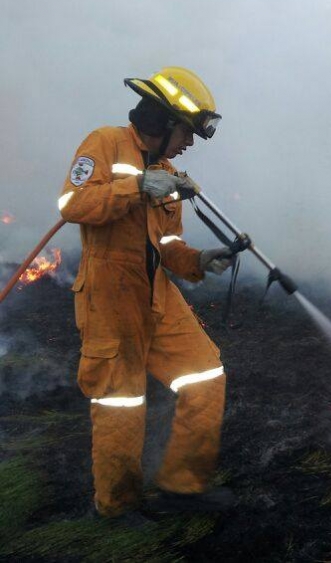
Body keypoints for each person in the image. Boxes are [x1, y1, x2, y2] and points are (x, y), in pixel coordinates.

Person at [57, 67, 235, 519]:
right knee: (121, 402)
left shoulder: (168, 173)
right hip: (109, 294)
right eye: (186, 132)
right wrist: (134, 186)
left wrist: (199, 260)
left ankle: (183, 484)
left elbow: (169, 245)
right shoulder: (104, 142)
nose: (189, 143)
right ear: (160, 121)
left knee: (205, 377)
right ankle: (117, 505)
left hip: (158, 296)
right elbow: (73, 204)